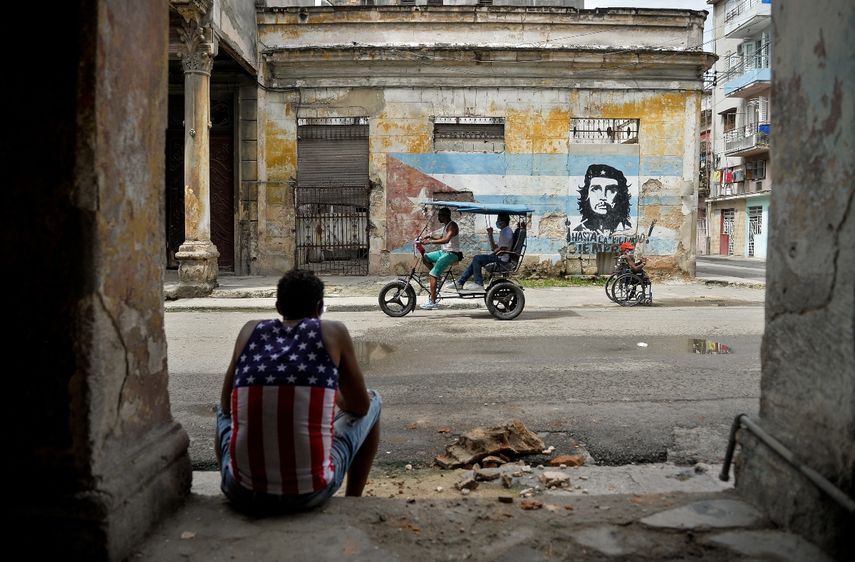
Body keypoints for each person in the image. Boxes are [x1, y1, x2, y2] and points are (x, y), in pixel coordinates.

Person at [216, 269, 381, 514]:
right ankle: (353, 501)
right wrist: (333, 395)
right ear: (319, 307)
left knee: (221, 413)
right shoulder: (334, 332)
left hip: (241, 492)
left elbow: (226, 403)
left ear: (278, 306)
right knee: (374, 401)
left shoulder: (249, 330)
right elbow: (360, 407)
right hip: (310, 493)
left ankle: (238, 474)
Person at [456, 212, 514, 291]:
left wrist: (493, 253)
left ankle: (478, 283)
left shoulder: (506, 232)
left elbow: (502, 250)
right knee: (476, 260)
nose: (497, 222)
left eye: (498, 220)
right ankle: (460, 282)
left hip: (501, 259)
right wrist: (490, 234)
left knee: (477, 258)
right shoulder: (504, 231)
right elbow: (494, 247)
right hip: (499, 256)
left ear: (503, 221)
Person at [417, 207, 461, 310]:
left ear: (445, 215)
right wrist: (428, 237)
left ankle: (433, 302)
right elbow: (440, 238)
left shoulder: (452, 226)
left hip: (451, 254)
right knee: (425, 257)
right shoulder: (447, 226)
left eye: (440, 215)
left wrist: (429, 242)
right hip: (443, 252)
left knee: (432, 274)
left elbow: (445, 240)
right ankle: (438, 278)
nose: (438, 217)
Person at [574, 164, 633, 234]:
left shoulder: (629, 231)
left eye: (611, 190)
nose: (603, 197)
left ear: (621, 196)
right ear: (587, 195)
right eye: (596, 189)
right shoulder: (578, 232)